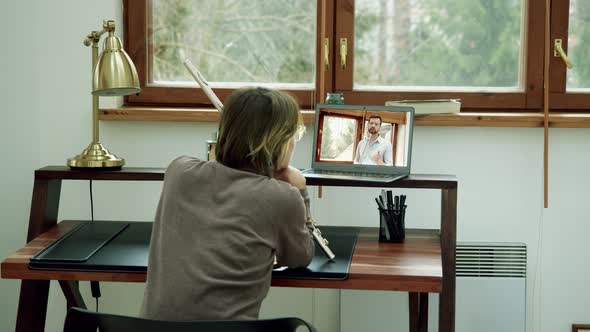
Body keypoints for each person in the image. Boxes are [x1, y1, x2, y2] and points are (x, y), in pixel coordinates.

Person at [140, 87, 315, 321]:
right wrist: (301, 189)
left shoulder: (178, 171)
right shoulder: (282, 196)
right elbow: (300, 257)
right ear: (279, 141)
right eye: (296, 133)